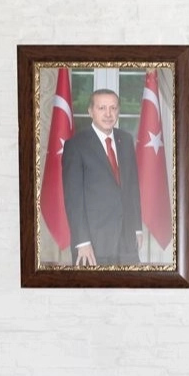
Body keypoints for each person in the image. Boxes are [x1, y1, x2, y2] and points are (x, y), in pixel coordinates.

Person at [61, 88, 142, 266]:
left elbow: (132, 187)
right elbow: (73, 199)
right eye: (102, 108)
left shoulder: (126, 140)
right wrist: (82, 241)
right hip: (93, 242)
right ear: (90, 111)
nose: (108, 114)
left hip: (127, 239)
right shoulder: (76, 145)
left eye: (113, 108)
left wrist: (137, 228)